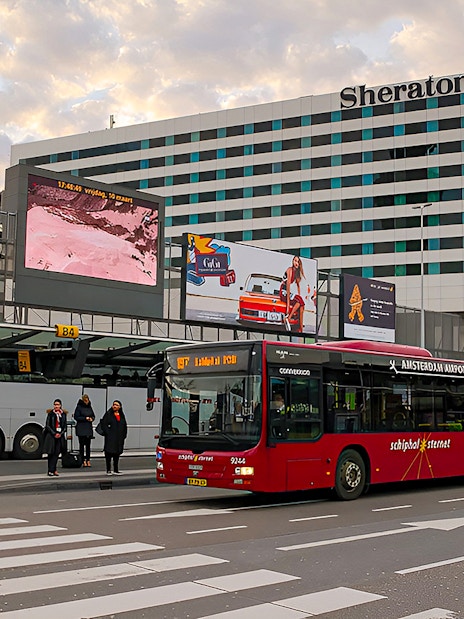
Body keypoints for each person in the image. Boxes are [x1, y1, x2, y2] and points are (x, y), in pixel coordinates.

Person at [100, 400, 128, 475]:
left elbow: (124, 425)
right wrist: (108, 432)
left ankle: (116, 469)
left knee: (117, 454)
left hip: (119, 438)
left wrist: (124, 435)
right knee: (108, 453)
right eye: (114, 404)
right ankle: (108, 470)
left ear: (120, 407)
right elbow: (104, 424)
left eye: (116, 405)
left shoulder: (121, 415)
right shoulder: (108, 414)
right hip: (110, 437)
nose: (114, 406)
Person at [280, 256, 306, 332]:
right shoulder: (289, 270)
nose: (296, 263)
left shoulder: (297, 273)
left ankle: (300, 329)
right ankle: (289, 317)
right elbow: (288, 287)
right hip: (283, 291)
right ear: (292, 261)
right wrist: (287, 307)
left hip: (289, 292)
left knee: (302, 305)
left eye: (298, 262)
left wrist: (299, 295)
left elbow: (298, 285)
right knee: (300, 301)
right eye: (295, 261)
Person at [42, 399, 67, 477]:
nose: (56, 406)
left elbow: (65, 426)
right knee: (51, 453)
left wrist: (61, 433)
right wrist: (54, 433)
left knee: (57, 453)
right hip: (51, 436)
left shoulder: (63, 414)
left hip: (60, 436)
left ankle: (54, 469)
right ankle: (50, 470)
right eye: (55, 404)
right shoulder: (51, 414)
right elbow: (48, 425)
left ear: (60, 405)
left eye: (58, 405)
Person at [73, 394, 95, 467]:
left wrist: (92, 418)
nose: (86, 401)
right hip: (81, 428)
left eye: (87, 400)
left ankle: (88, 460)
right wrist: (85, 418)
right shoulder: (79, 407)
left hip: (88, 428)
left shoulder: (89, 407)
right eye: (85, 400)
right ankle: (82, 460)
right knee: (82, 446)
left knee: (88, 446)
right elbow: (76, 417)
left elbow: (93, 415)